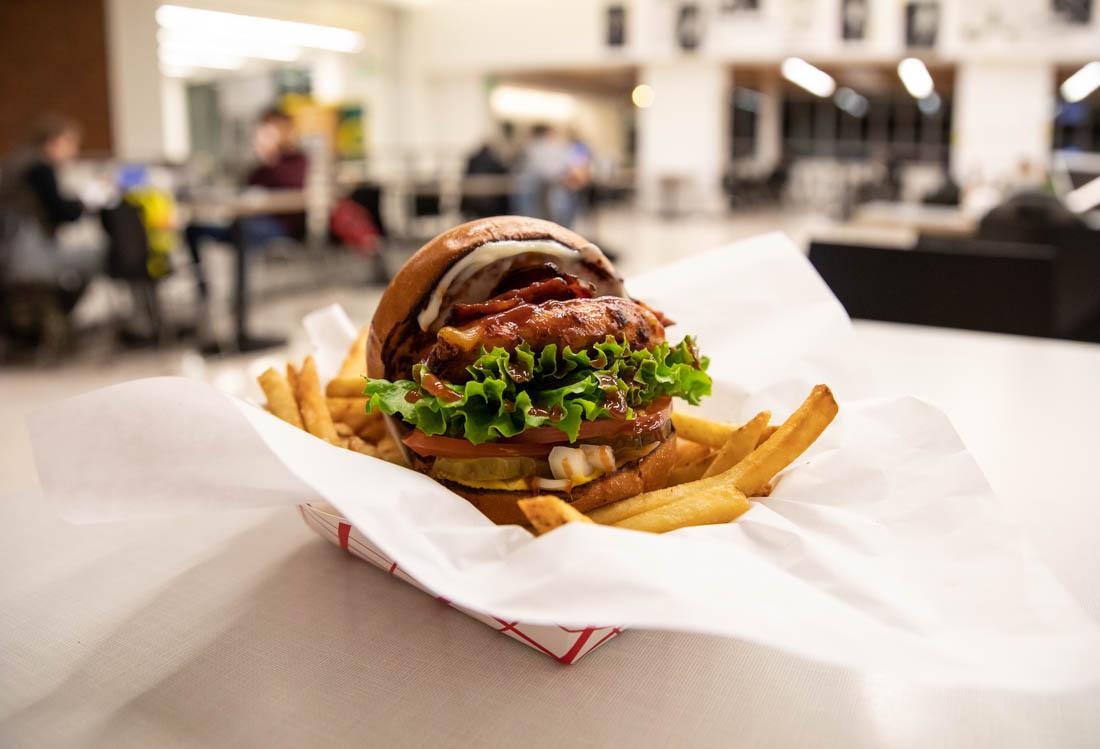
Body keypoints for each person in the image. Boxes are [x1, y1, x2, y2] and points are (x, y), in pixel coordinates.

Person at [183, 107, 308, 352]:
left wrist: (271, 158)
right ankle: (206, 298)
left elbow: (290, 188)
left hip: (280, 226)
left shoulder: (297, 159)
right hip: (247, 222)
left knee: (240, 230)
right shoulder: (260, 164)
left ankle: (242, 328)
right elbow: (249, 186)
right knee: (194, 229)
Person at [0, 114, 104, 354]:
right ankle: (61, 321)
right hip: (28, 257)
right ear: (53, 142)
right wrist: (86, 201)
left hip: (12, 254)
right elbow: (63, 211)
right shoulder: (39, 170)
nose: (74, 151)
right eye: (70, 143)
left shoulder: (16, 164)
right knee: (101, 254)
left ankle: (51, 322)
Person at [513, 124, 574, 227]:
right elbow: (552, 171)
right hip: (546, 198)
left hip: (533, 198)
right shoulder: (547, 148)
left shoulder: (528, 148)